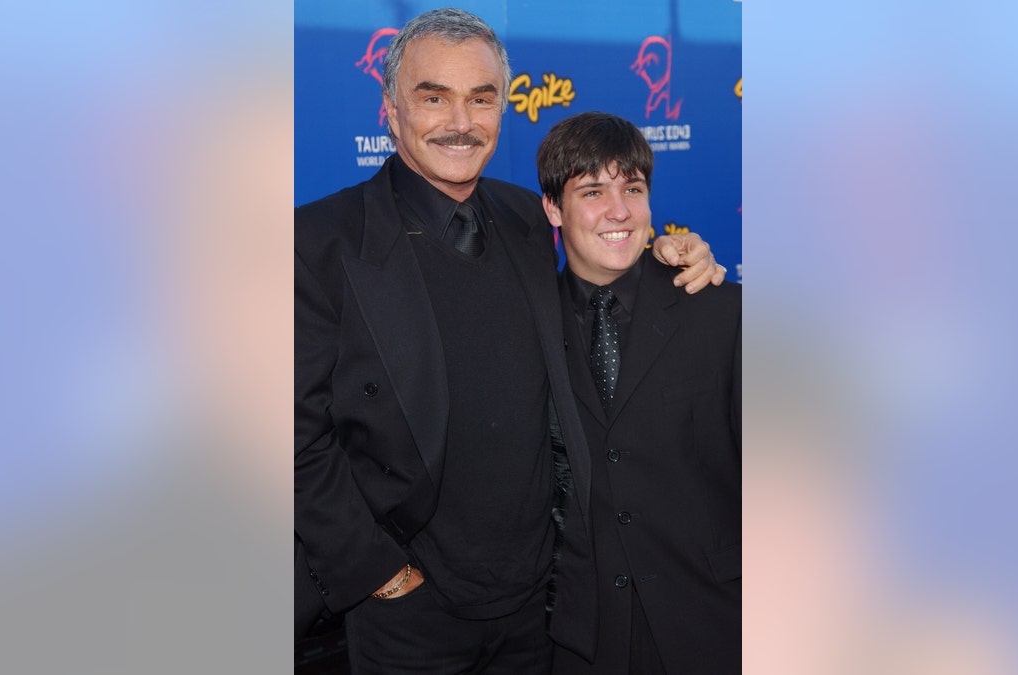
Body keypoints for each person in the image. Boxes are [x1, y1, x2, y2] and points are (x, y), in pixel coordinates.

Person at [295, 9, 724, 673]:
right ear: (390, 109)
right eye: (433, 96)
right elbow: (292, 437)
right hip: (410, 613)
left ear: (503, 108)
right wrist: (381, 577)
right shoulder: (318, 243)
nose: (460, 121)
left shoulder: (525, 215)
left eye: (481, 98)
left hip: (537, 604)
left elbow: (593, 316)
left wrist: (670, 258)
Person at [536, 111, 741, 674]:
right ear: (553, 208)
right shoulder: (527, 324)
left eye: (633, 188)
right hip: (583, 637)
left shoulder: (724, 311)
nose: (619, 211)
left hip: (715, 622)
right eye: (593, 191)